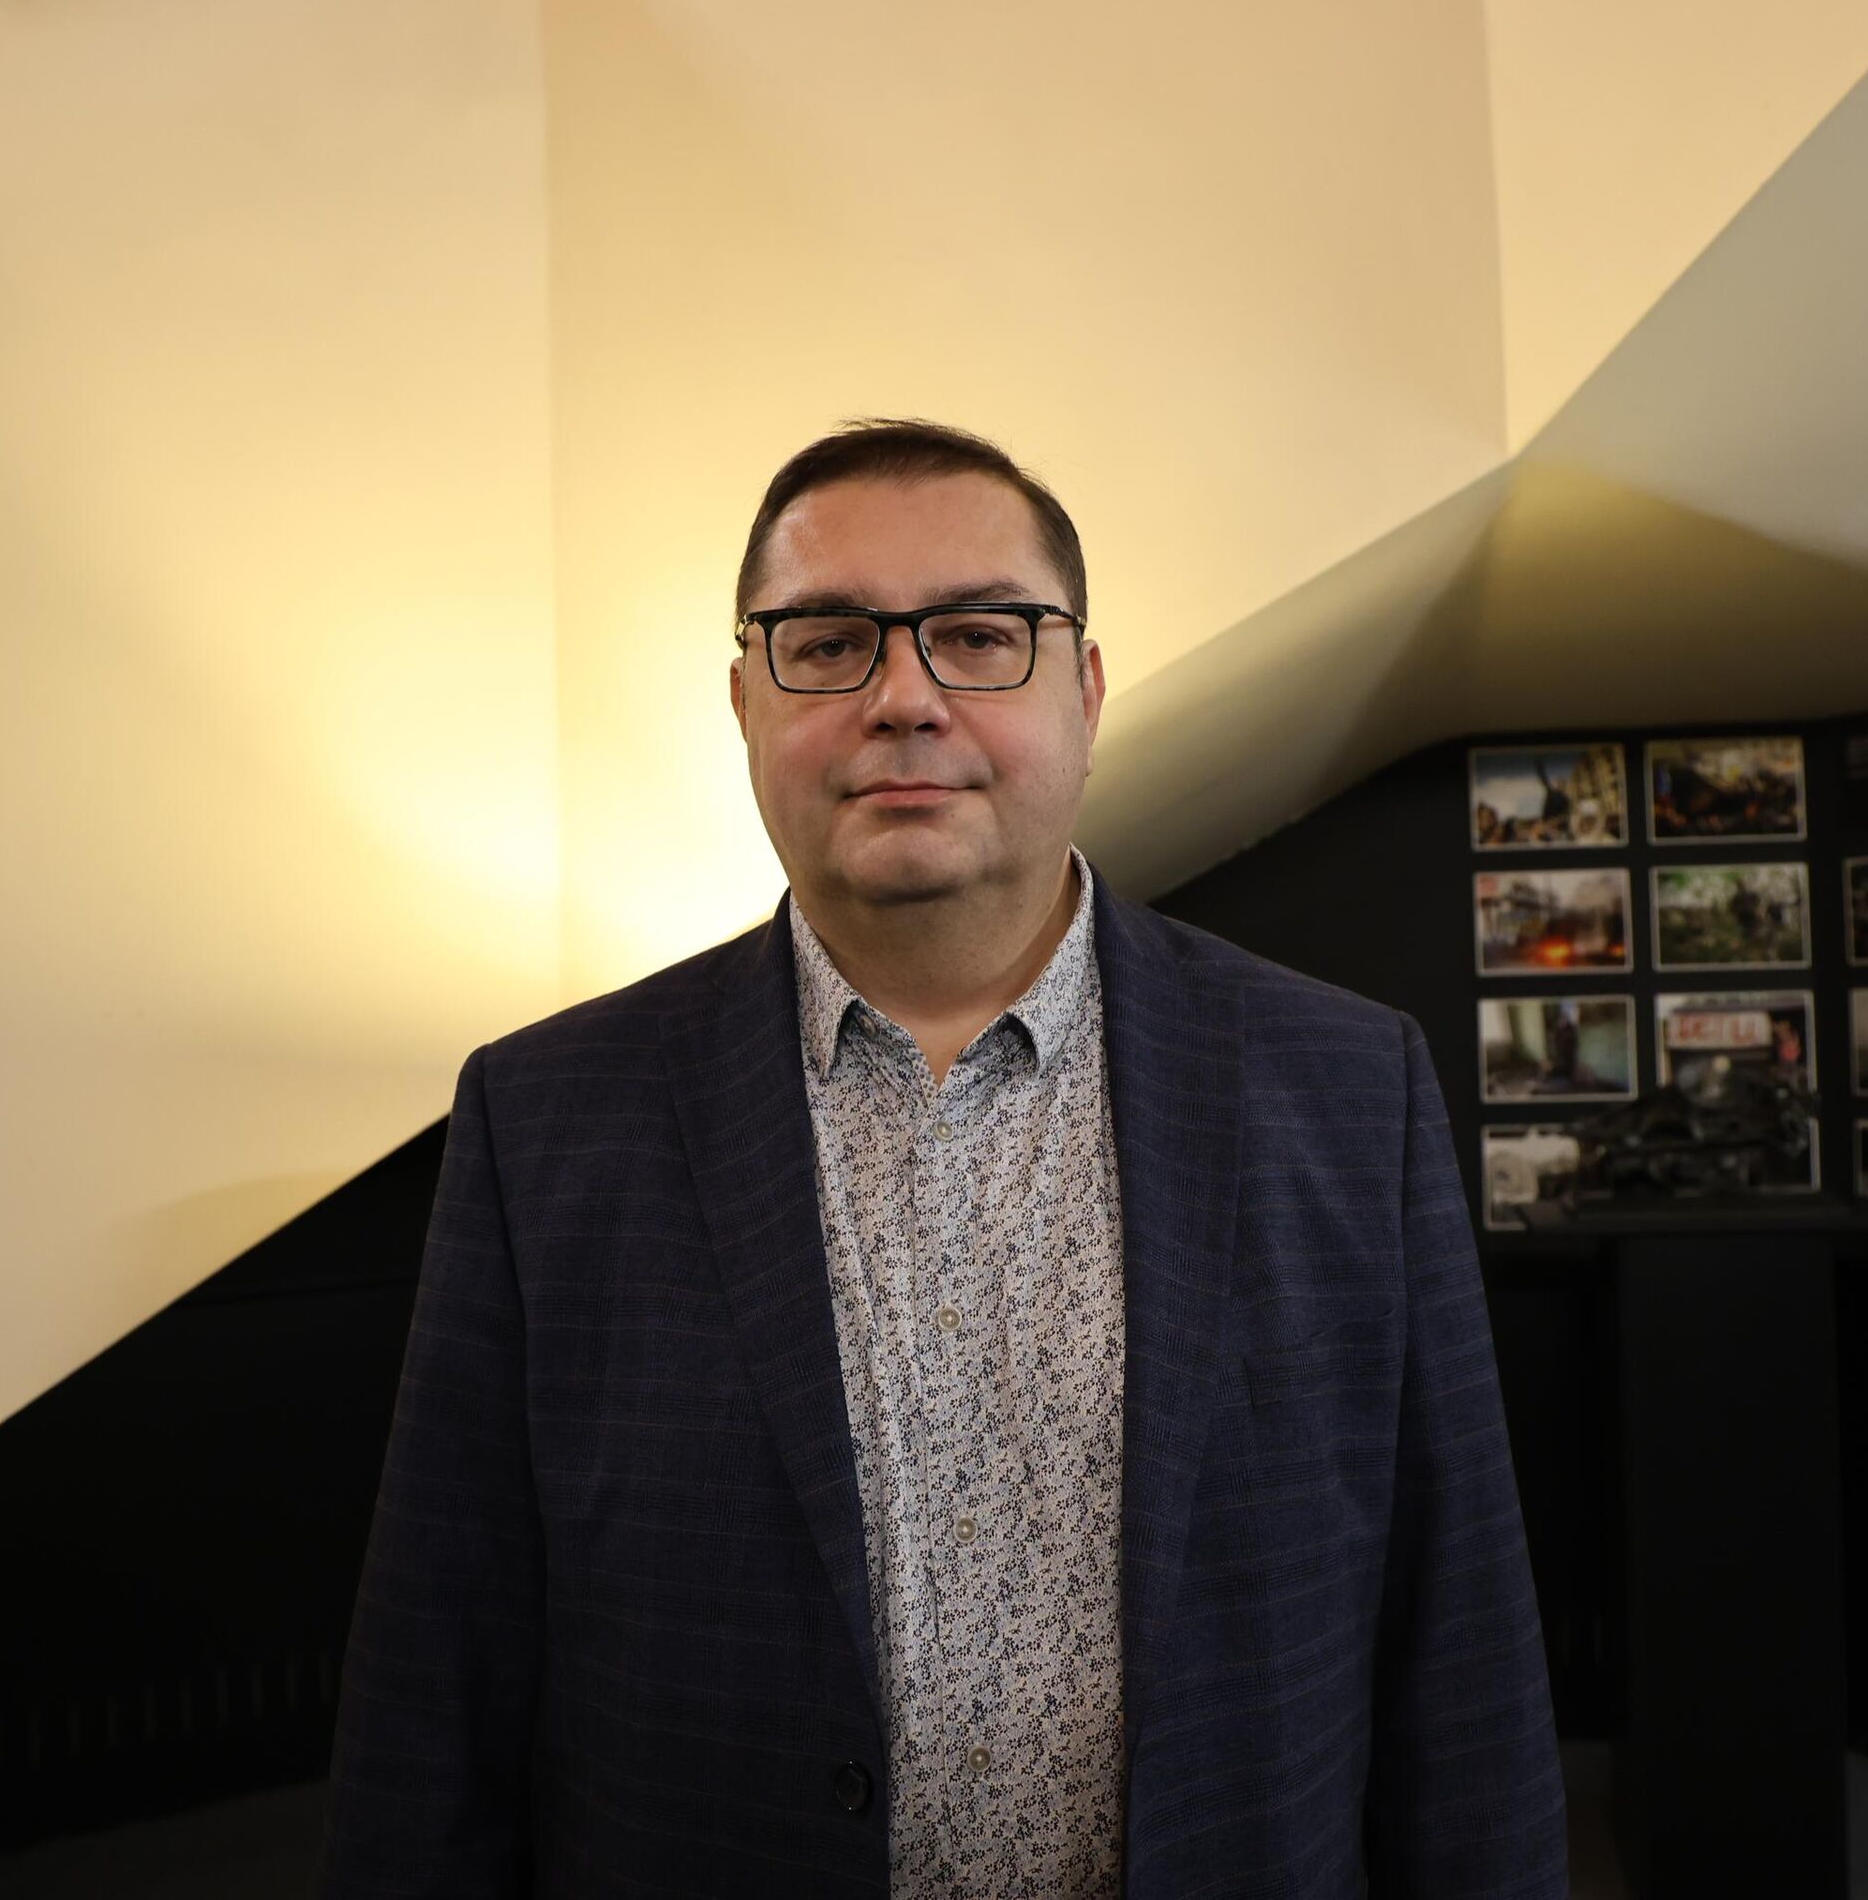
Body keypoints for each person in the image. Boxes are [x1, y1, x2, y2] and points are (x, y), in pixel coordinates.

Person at [317, 417, 1568, 1898]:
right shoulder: (546, 1122)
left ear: (1084, 690)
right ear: (744, 702)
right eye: (828, 643)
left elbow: (1460, 1662)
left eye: (979, 635)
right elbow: (436, 1691)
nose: (903, 698)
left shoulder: (1346, 1091)